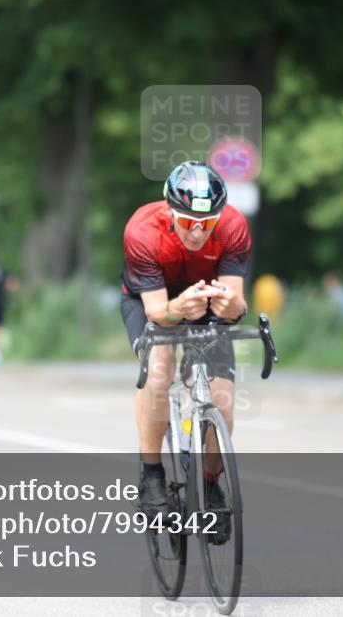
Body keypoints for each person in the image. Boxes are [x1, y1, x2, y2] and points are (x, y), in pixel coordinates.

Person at [120, 161, 250, 532]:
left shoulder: (234, 228)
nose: (197, 231)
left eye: (206, 223)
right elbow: (158, 313)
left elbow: (236, 304)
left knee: (222, 401)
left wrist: (232, 307)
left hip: (205, 301)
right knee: (159, 368)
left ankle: (209, 489)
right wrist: (177, 309)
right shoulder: (142, 230)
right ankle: (152, 475)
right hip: (153, 302)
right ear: (168, 210)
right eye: (188, 220)